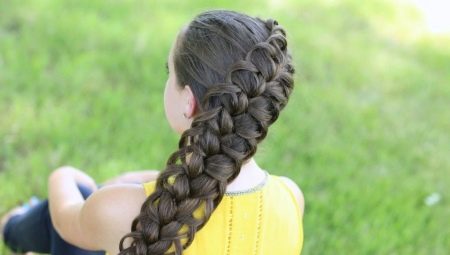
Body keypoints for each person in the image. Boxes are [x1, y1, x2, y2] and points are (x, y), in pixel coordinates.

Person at [1, 9, 304, 255]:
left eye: (167, 71)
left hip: (88, 219)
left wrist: (63, 174)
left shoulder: (124, 209)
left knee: (70, 205)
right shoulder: (291, 199)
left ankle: (11, 226)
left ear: (188, 102)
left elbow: (67, 221)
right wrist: (143, 180)